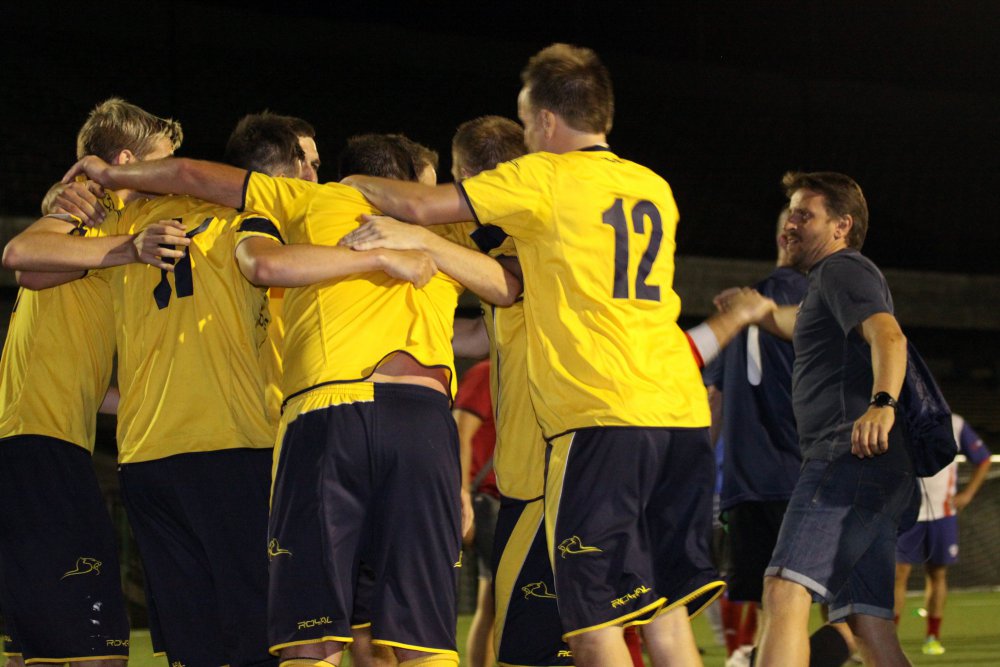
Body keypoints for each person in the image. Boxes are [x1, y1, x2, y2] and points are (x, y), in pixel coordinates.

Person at [339, 43, 725, 667]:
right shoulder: (652, 185)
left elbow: (418, 208)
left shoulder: (543, 177)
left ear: (545, 120)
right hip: (677, 410)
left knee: (592, 622)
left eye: (526, 122)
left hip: (601, 411)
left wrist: (347, 188)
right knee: (663, 614)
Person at [9, 116, 434, 666]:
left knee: (200, 648)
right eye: (308, 164)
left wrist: (78, 209)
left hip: (148, 459)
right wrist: (386, 252)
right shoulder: (246, 220)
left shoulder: (124, 221)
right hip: (235, 446)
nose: (315, 176)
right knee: (278, 639)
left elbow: (28, 264)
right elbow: (25, 261)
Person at [0, 97, 181, 665]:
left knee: (42, 651)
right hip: (40, 443)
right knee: (100, 650)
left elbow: (74, 363)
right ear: (126, 161)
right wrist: (128, 247)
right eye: (163, 162)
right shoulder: (91, 206)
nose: (170, 174)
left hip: (35, 439)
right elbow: (23, 256)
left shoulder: (98, 223)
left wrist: (145, 403)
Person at [737, 171, 916, 667]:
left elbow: (889, 335)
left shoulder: (842, 269)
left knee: (783, 589)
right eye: (790, 213)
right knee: (869, 626)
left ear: (841, 226)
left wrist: (882, 403)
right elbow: (801, 323)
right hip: (874, 470)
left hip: (847, 457)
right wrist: (762, 312)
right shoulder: (829, 284)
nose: (790, 223)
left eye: (804, 214)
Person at [702, 213, 808, 665]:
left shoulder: (739, 305)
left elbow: (713, 400)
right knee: (853, 615)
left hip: (747, 486)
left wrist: (694, 474)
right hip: (808, 482)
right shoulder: (825, 298)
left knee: (773, 608)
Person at [894, 413, 992, 656]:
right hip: (907, 513)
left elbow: (983, 459)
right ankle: (889, 641)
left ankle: (932, 636)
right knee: (897, 575)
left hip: (942, 513)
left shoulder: (954, 423)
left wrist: (967, 494)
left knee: (937, 574)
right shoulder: (898, 419)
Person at [453, 358, 500, 667]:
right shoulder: (487, 372)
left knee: (492, 601)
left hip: (503, 498)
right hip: (487, 499)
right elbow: (460, 430)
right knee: (497, 600)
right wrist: (463, 496)